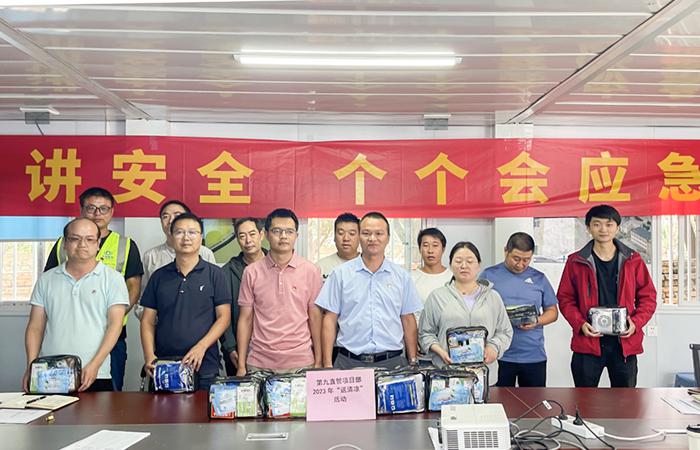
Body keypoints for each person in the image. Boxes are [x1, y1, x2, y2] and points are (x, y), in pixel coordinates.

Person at [44, 186, 143, 391]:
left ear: (112, 212)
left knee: (108, 395)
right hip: (66, 335)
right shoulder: (64, 243)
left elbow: (133, 288)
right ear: (81, 210)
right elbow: (50, 282)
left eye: (103, 208)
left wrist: (111, 316)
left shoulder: (125, 245)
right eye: (91, 208)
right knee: (59, 394)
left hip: (112, 335)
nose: (97, 213)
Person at [23, 218, 128, 392]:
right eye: (75, 239)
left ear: (98, 244)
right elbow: (35, 327)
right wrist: (31, 366)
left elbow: (115, 326)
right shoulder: (46, 279)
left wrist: (95, 364)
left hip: (94, 373)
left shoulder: (113, 279)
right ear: (65, 243)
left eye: (89, 239)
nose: (82, 244)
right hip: (50, 373)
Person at [558, 205, 656, 388]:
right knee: (584, 398)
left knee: (625, 400)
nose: (603, 229)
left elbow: (648, 297)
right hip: (588, 341)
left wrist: (635, 323)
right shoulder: (576, 261)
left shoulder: (633, 260)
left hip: (623, 343)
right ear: (588, 228)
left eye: (609, 224)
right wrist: (580, 324)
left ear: (617, 228)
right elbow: (565, 298)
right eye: (597, 224)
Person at [316, 211, 422, 369]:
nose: (372, 238)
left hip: (392, 363)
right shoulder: (340, 274)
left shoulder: (401, 277)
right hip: (349, 362)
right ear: (359, 237)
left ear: (388, 238)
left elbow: (407, 319)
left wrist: (413, 361)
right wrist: (327, 364)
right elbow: (330, 319)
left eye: (379, 233)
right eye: (366, 233)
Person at [140, 213, 231, 391]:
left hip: (203, 365)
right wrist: (149, 356)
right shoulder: (159, 276)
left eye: (192, 232)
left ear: (201, 237)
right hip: (165, 365)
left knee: (202, 410)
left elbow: (224, 317)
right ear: (171, 236)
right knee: (162, 410)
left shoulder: (215, 274)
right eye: (179, 232)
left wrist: (201, 347)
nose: (186, 237)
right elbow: (147, 320)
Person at [236, 209, 323, 375]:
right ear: (266, 234)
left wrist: (319, 360)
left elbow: (315, 317)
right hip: (260, 363)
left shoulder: (311, 271)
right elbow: (245, 319)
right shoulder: (252, 272)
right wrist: (241, 365)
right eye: (277, 231)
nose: (283, 236)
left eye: (289, 231)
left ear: (296, 236)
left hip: (301, 363)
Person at [419, 241, 512, 385]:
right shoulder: (436, 297)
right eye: (458, 261)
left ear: (478, 265)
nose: (464, 266)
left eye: (469, 261)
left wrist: (494, 347)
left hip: (484, 376)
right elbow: (425, 333)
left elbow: (505, 331)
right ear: (451, 265)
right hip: (448, 375)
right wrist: (440, 351)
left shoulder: (493, 297)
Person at [481, 232, 558, 387]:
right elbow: (477, 308)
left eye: (526, 260)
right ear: (506, 251)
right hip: (498, 354)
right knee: (498, 399)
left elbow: (553, 312)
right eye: (516, 258)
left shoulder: (539, 278)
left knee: (534, 400)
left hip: (533, 354)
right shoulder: (489, 275)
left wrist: (536, 321)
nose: (520, 264)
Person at [140, 199, 216, 299]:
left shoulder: (205, 253)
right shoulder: (151, 256)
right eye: (165, 217)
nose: (171, 221)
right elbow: (144, 296)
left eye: (177, 215)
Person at [219, 217, 267, 376]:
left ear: (261, 235)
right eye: (242, 236)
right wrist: (230, 347)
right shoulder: (226, 272)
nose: (248, 240)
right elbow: (222, 315)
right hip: (238, 351)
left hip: (272, 350)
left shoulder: (276, 267)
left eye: (252, 234)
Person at [316, 212, 360, 280]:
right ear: (334, 237)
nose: (346, 238)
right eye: (341, 233)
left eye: (352, 234)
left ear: (360, 237)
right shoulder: (321, 267)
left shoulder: (368, 265)